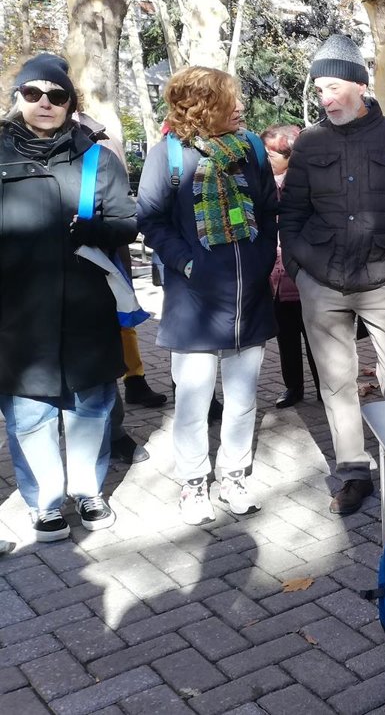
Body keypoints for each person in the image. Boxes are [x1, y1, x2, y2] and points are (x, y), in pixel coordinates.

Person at [279, 34, 385, 516]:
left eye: (334, 87)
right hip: (321, 282)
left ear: (360, 85)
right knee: (335, 384)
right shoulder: (310, 142)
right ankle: (353, 472)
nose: (326, 99)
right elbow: (292, 211)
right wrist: (301, 270)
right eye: (319, 90)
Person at [1, 53, 137, 540]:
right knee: (29, 412)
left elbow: (126, 220)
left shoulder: (96, 157)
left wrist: (100, 228)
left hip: (86, 306)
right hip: (18, 311)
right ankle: (44, 502)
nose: (45, 102)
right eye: (33, 92)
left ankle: (88, 490)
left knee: (91, 405)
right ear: (18, 97)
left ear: (69, 104)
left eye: (57, 96)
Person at [137, 66, 279, 525]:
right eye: (229, 99)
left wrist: (261, 259)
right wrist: (187, 262)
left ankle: (233, 474)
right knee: (193, 402)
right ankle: (194, 482)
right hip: (194, 302)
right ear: (202, 106)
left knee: (242, 400)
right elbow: (151, 219)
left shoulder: (251, 147)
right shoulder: (168, 154)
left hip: (248, 297)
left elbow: (269, 210)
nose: (240, 107)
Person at [262, 124, 320, 409]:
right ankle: (293, 387)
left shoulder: (306, 182)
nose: (266, 159)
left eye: (271, 154)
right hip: (275, 277)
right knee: (286, 338)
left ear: (289, 154)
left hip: (305, 275)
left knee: (316, 338)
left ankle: (324, 387)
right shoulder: (262, 184)